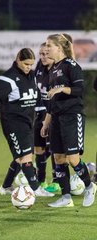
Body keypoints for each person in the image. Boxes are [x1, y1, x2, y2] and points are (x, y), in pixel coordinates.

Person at [0, 48, 54, 198]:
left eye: (31, 64)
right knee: (26, 157)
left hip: (28, 123)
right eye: (25, 64)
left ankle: (5, 187)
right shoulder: (7, 78)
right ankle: (36, 189)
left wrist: (43, 118)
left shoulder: (32, 77)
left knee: (20, 158)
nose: (28, 67)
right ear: (18, 60)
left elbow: (37, 99)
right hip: (13, 123)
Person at [41, 33, 96, 207]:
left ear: (59, 47)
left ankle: (89, 186)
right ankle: (66, 197)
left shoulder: (72, 66)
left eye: (49, 45)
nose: (46, 48)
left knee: (73, 159)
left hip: (72, 117)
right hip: (56, 118)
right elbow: (52, 101)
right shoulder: (52, 69)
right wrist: (46, 122)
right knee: (58, 158)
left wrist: (61, 89)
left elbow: (79, 90)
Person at [34, 43, 60, 193]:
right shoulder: (39, 69)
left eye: (46, 54)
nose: (43, 57)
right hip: (40, 113)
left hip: (54, 114)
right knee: (38, 147)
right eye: (41, 54)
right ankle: (40, 181)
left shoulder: (59, 71)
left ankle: (56, 180)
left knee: (54, 148)